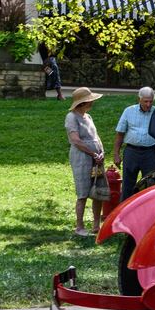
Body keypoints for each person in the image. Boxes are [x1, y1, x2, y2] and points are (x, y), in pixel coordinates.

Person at [65, 87, 106, 237]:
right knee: (83, 192)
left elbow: (96, 136)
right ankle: (80, 226)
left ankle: (96, 225)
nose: (92, 103)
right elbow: (75, 140)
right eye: (90, 101)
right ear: (82, 103)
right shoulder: (71, 117)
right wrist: (92, 153)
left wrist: (101, 152)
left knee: (98, 190)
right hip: (82, 157)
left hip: (97, 158)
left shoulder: (88, 117)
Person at [114, 86, 155, 196]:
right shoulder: (129, 111)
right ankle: (125, 210)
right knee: (128, 185)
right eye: (145, 101)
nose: (148, 104)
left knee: (150, 184)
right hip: (131, 151)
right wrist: (116, 154)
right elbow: (120, 134)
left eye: (150, 101)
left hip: (150, 152)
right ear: (139, 99)